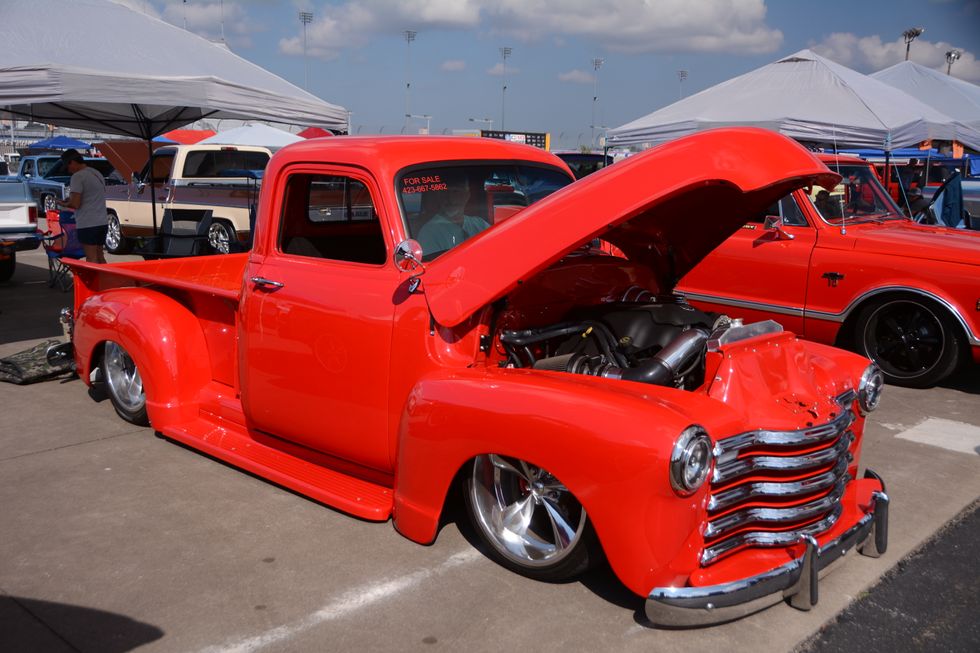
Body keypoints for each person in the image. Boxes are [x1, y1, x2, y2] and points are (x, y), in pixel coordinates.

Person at [416, 174, 490, 256]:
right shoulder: (429, 232)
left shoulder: (480, 224)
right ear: (439, 196)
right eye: (445, 192)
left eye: (456, 191)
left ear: (466, 195)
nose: (450, 198)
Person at [57, 149, 107, 263]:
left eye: (68, 167)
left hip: (87, 223)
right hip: (102, 222)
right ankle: (105, 280)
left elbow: (75, 204)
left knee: (91, 258)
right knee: (100, 256)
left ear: (72, 162)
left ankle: (94, 281)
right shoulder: (96, 173)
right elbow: (90, 196)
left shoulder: (78, 177)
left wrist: (63, 203)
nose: (69, 171)